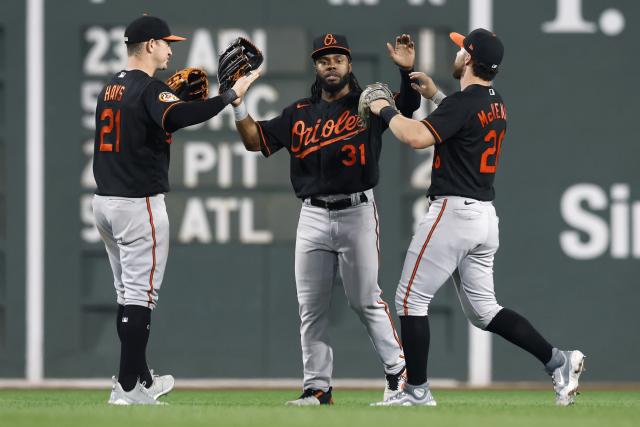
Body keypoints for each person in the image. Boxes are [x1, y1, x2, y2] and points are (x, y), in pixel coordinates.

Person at [366, 28, 585, 406]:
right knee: (485, 312)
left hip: (454, 212)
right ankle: (558, 360)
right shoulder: (494, 101)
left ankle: (416, 391)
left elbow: (416, 136)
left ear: (468, 59)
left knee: (408, 300)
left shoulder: (465, 102)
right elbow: (465, 118)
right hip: (484, 218)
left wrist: (382, 108)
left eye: (459, 49)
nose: (456, 53)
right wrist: (435, 95)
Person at [232, 33, 421, 405]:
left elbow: (409, 109)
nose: (330, 65)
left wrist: (406, 72)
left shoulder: (368, 103)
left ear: (349, 64)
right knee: (311, 308)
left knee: (365, 299)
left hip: (356, 212)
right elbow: (255, 141)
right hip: (313, 216)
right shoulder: (299, 113)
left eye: (337, 58)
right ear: (315, 67)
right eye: (323, 59)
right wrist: (237, 106)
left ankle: (399, 373)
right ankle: (317, 388)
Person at [92, 15, 259, 405]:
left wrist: (168, 97)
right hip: (138, 205)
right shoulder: (150, 89)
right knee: (139, 298)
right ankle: (128, 387)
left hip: (104, 203)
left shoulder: (111, 87)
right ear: (149, 45)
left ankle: (142, 379)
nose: (170, 49)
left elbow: (155, 118)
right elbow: (179, 116)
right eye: (167, 43)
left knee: (126, 295)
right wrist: (230, 95)